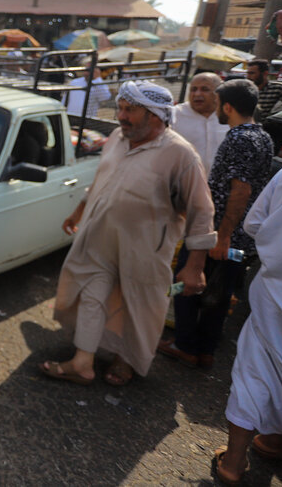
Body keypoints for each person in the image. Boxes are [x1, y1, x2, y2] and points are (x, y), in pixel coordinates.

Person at [40, 80, 216, 386]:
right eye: (121, 108)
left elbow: (202, 212)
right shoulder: (117, 139)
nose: (121, 116)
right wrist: (79, 210)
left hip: (146, 246)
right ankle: (83, 363)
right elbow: (101, 179)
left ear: (156, 116)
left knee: (139, 305)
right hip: (100, 235)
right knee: (92, 294)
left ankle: (126, 361)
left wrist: (195, 266)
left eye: (130, 110)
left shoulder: (181, 155)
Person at [159, 79, 272, 370]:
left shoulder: (238, 139)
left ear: (228, 106)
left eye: (219, 103)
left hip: (217, 234)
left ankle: (185, 345)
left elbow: (241, 191)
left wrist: (221, 238)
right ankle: (205, 350)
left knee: (187, 283)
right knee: (219, 293)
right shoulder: (262, 136)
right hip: (238, 236)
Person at [213, 159, 282, 485]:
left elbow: (253, 224)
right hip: (278, 297)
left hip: (276, 296)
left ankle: (233, 464)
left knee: (255, 372)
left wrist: (281, 248)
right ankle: (275, 441)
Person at [170, 72, 229, 176]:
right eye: (193, 89)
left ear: (219, 93)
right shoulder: (174, 115)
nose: (197, 94)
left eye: (205, 89)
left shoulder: (230, 115)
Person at [246, 58, 282, 123]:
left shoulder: (277, 88)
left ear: (265, 74)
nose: (248, 76)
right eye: (248, 73)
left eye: (252, 73)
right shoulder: (243, 88)